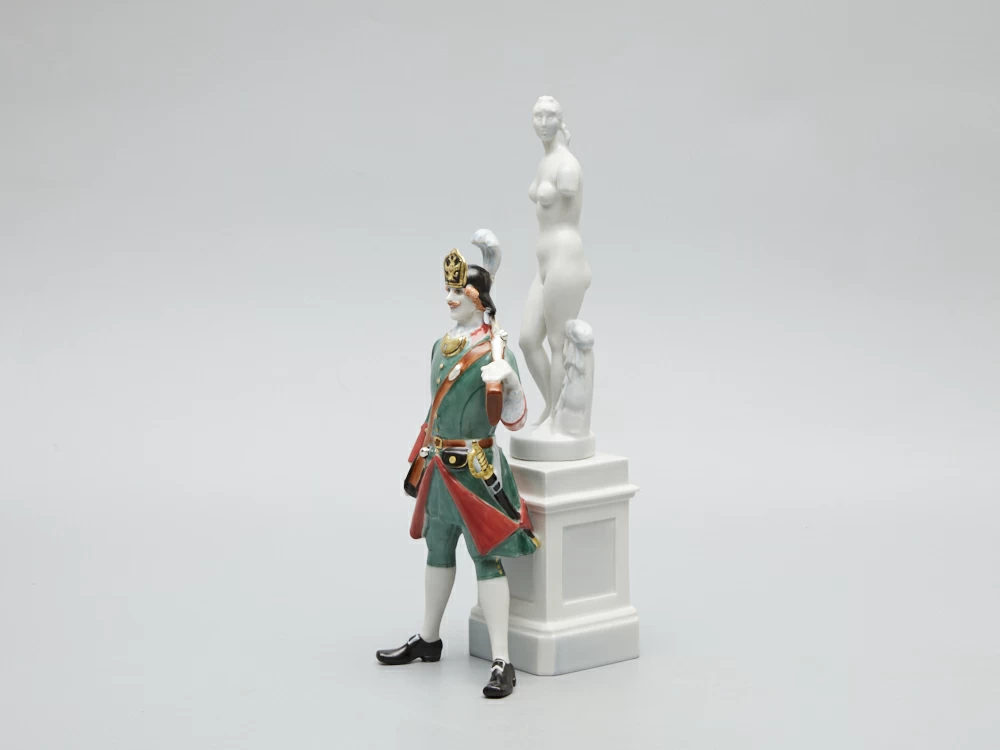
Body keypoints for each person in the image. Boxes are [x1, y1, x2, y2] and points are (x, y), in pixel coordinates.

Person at [376, 234, 538, 699]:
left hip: (477, 470)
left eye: (458, 292)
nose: (449, 299)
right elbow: (434, 412)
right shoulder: (440, 346)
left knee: (486, 559)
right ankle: (429, 639)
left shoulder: (497, 352)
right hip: (439, 470)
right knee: (437, 551)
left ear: (478, 299)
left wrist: (509, 381)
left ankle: (502, 659)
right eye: (447, 290)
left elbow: (516, 420)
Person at [521, 95, 593, 429]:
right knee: (527, 340)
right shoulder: (545, 162)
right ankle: (552, 404)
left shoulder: (568, 165)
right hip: (545, 262)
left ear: (560, 120)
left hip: (566, 258)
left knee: (557, 345)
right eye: (538, 115)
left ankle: (557, 422)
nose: (543, 122)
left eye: (550, 115)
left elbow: (568, 191)